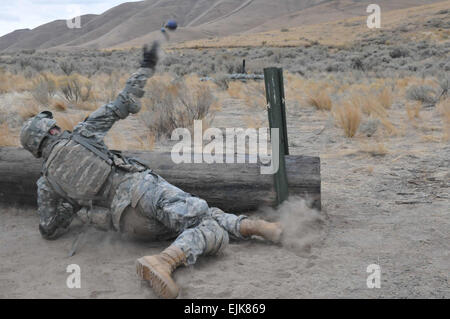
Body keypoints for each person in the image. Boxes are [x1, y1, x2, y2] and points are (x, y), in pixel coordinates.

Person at [19, 42, 283, 299]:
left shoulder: (47, 184)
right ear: (51, 130)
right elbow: (124, 102)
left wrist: (73, 204)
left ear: (35, 148)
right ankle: (163, 262)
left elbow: (49, 228)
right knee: (205, 223)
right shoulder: (83, 133)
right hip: (141, 190)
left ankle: (252, 226)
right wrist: (146, 67)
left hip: (127, 225)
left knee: (194, 214)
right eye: (53, 126)